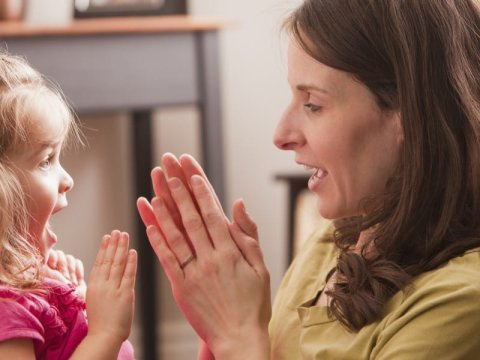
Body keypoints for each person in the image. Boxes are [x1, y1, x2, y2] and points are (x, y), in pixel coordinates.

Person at [137, 0, 480, 358]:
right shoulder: (328, 247)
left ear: (409, 113)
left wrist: (237, 335)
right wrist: (219, 324)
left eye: (313, 104)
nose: (281, 134)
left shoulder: (462, 302)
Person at [0, 54, 138, 359]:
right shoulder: (5, 312)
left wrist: (78, 302)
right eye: (46, 160)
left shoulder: (31, 285)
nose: (68, 179)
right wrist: (106, 331)